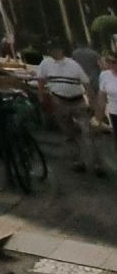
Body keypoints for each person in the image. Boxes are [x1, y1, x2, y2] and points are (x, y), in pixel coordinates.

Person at [35, 41, 96, 174]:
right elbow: (40, 82)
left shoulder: (73, 64)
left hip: (77, 100)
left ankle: (95, 162)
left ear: (61, 50)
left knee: (86, 131)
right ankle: (77, 161)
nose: (53, 52)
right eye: (51, 49)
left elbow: (86, 83)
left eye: (56, 49)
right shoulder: (45, 64)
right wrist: (42, 100)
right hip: (59, 101)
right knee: (68, 132)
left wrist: (91, 102)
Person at [96, 52, 117, 153]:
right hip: (114, 112)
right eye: (108, 61)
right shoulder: (104, 75)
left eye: (114, 62)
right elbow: (102, 96)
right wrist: (100, 115)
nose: (111, 64)